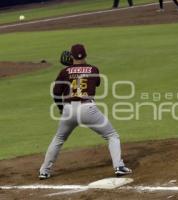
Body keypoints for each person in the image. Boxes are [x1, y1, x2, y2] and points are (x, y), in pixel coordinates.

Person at [39, 44, 132, 179]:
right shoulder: (93, 69)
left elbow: (56, 93)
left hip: (69, 110)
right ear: (86, 55)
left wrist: (61, 108)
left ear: (71, 56)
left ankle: (44, 171)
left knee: (59, 139)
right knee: (112, 135)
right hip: (88, 109)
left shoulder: (64, 72)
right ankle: (119, 166)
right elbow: (96, 83)